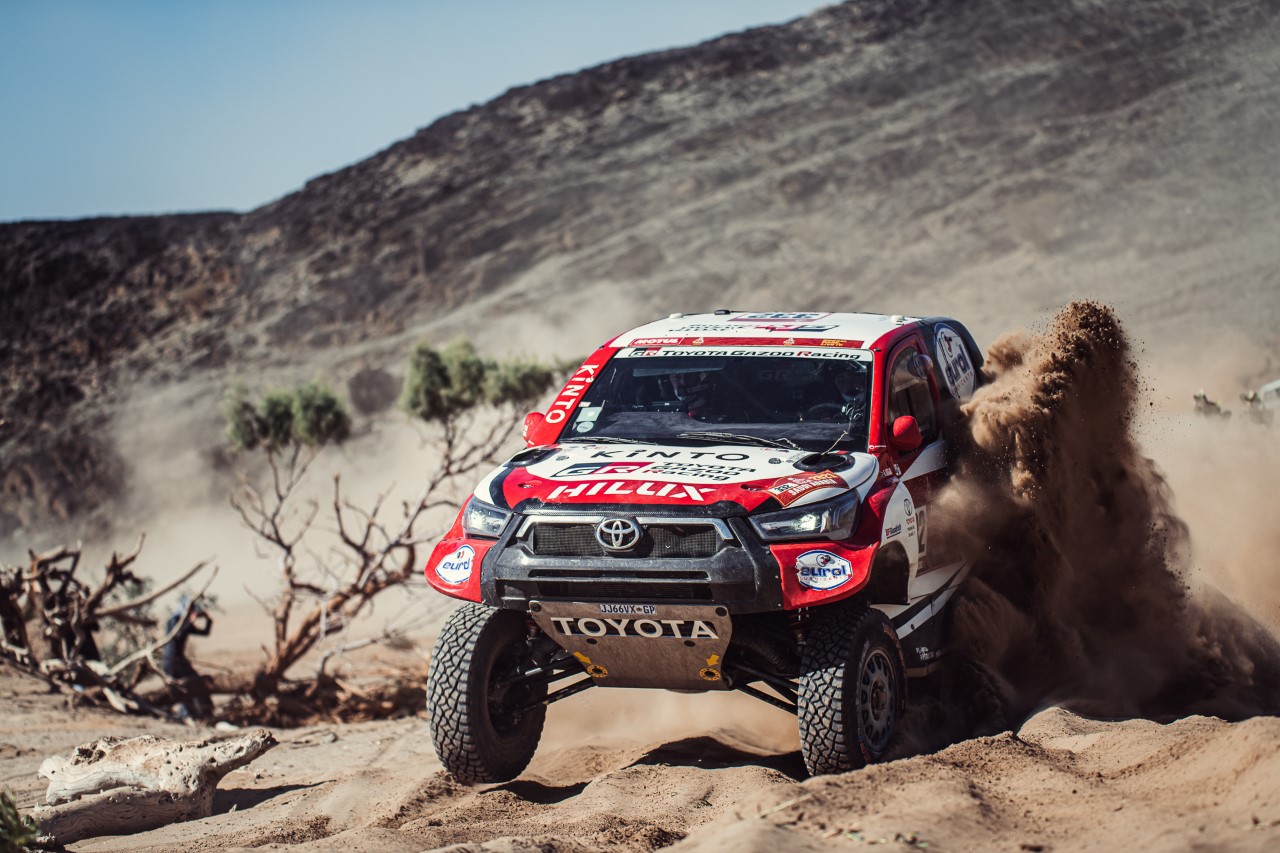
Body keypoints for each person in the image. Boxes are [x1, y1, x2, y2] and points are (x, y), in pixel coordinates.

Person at [162, 596, 214, 720]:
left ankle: (196, 713)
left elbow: (205, 632)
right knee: (192, 683)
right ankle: (193, 713)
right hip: (172, 660)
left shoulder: (184, 622)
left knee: (188, 685)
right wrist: (190, 621)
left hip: (178, 660)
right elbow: (177, 635)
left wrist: (208, 619)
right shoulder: (174, 619)